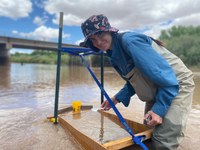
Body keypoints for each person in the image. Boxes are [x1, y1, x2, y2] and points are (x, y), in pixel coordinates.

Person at [80, 14, 195, 150]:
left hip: (175, 84)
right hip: (158, 86)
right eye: (93, 39)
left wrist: (158, 110)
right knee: (149, 128)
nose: (98, 42)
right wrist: (116, 99)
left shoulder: (129, 41)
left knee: (164, 138)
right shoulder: (113, 56)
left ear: (109, 31)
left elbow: (165, 76)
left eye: (100, 35)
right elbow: (133, 82)